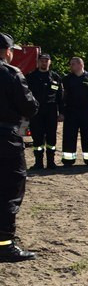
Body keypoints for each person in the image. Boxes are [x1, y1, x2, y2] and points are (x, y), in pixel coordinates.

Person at [0, 33, 39, 261]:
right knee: (9, 190)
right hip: (5, 138)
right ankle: (4, 245)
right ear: (7, 51)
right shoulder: (11, 73)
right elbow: (30, 106)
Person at [60, 57, 88, 166]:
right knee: (69, 135)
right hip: (71, 111)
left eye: (72, 64)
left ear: (80, 65)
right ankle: (68, 160)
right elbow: (63, 95)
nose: (70, 66)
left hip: (86, 111)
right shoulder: (67, 79)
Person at [25, 53, 62, 170]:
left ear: (50, 62)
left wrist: (61, 113)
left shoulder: (55, 77)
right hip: (36, 112)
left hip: (51, 111)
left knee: (51, 138)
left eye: (46, 60)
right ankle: (38, 163)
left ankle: (51, 162)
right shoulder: (31, 77)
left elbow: (60, 97)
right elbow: (26, 95)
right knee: (37, 138)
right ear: (38, 62)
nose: (44, 62)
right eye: (42, 60)